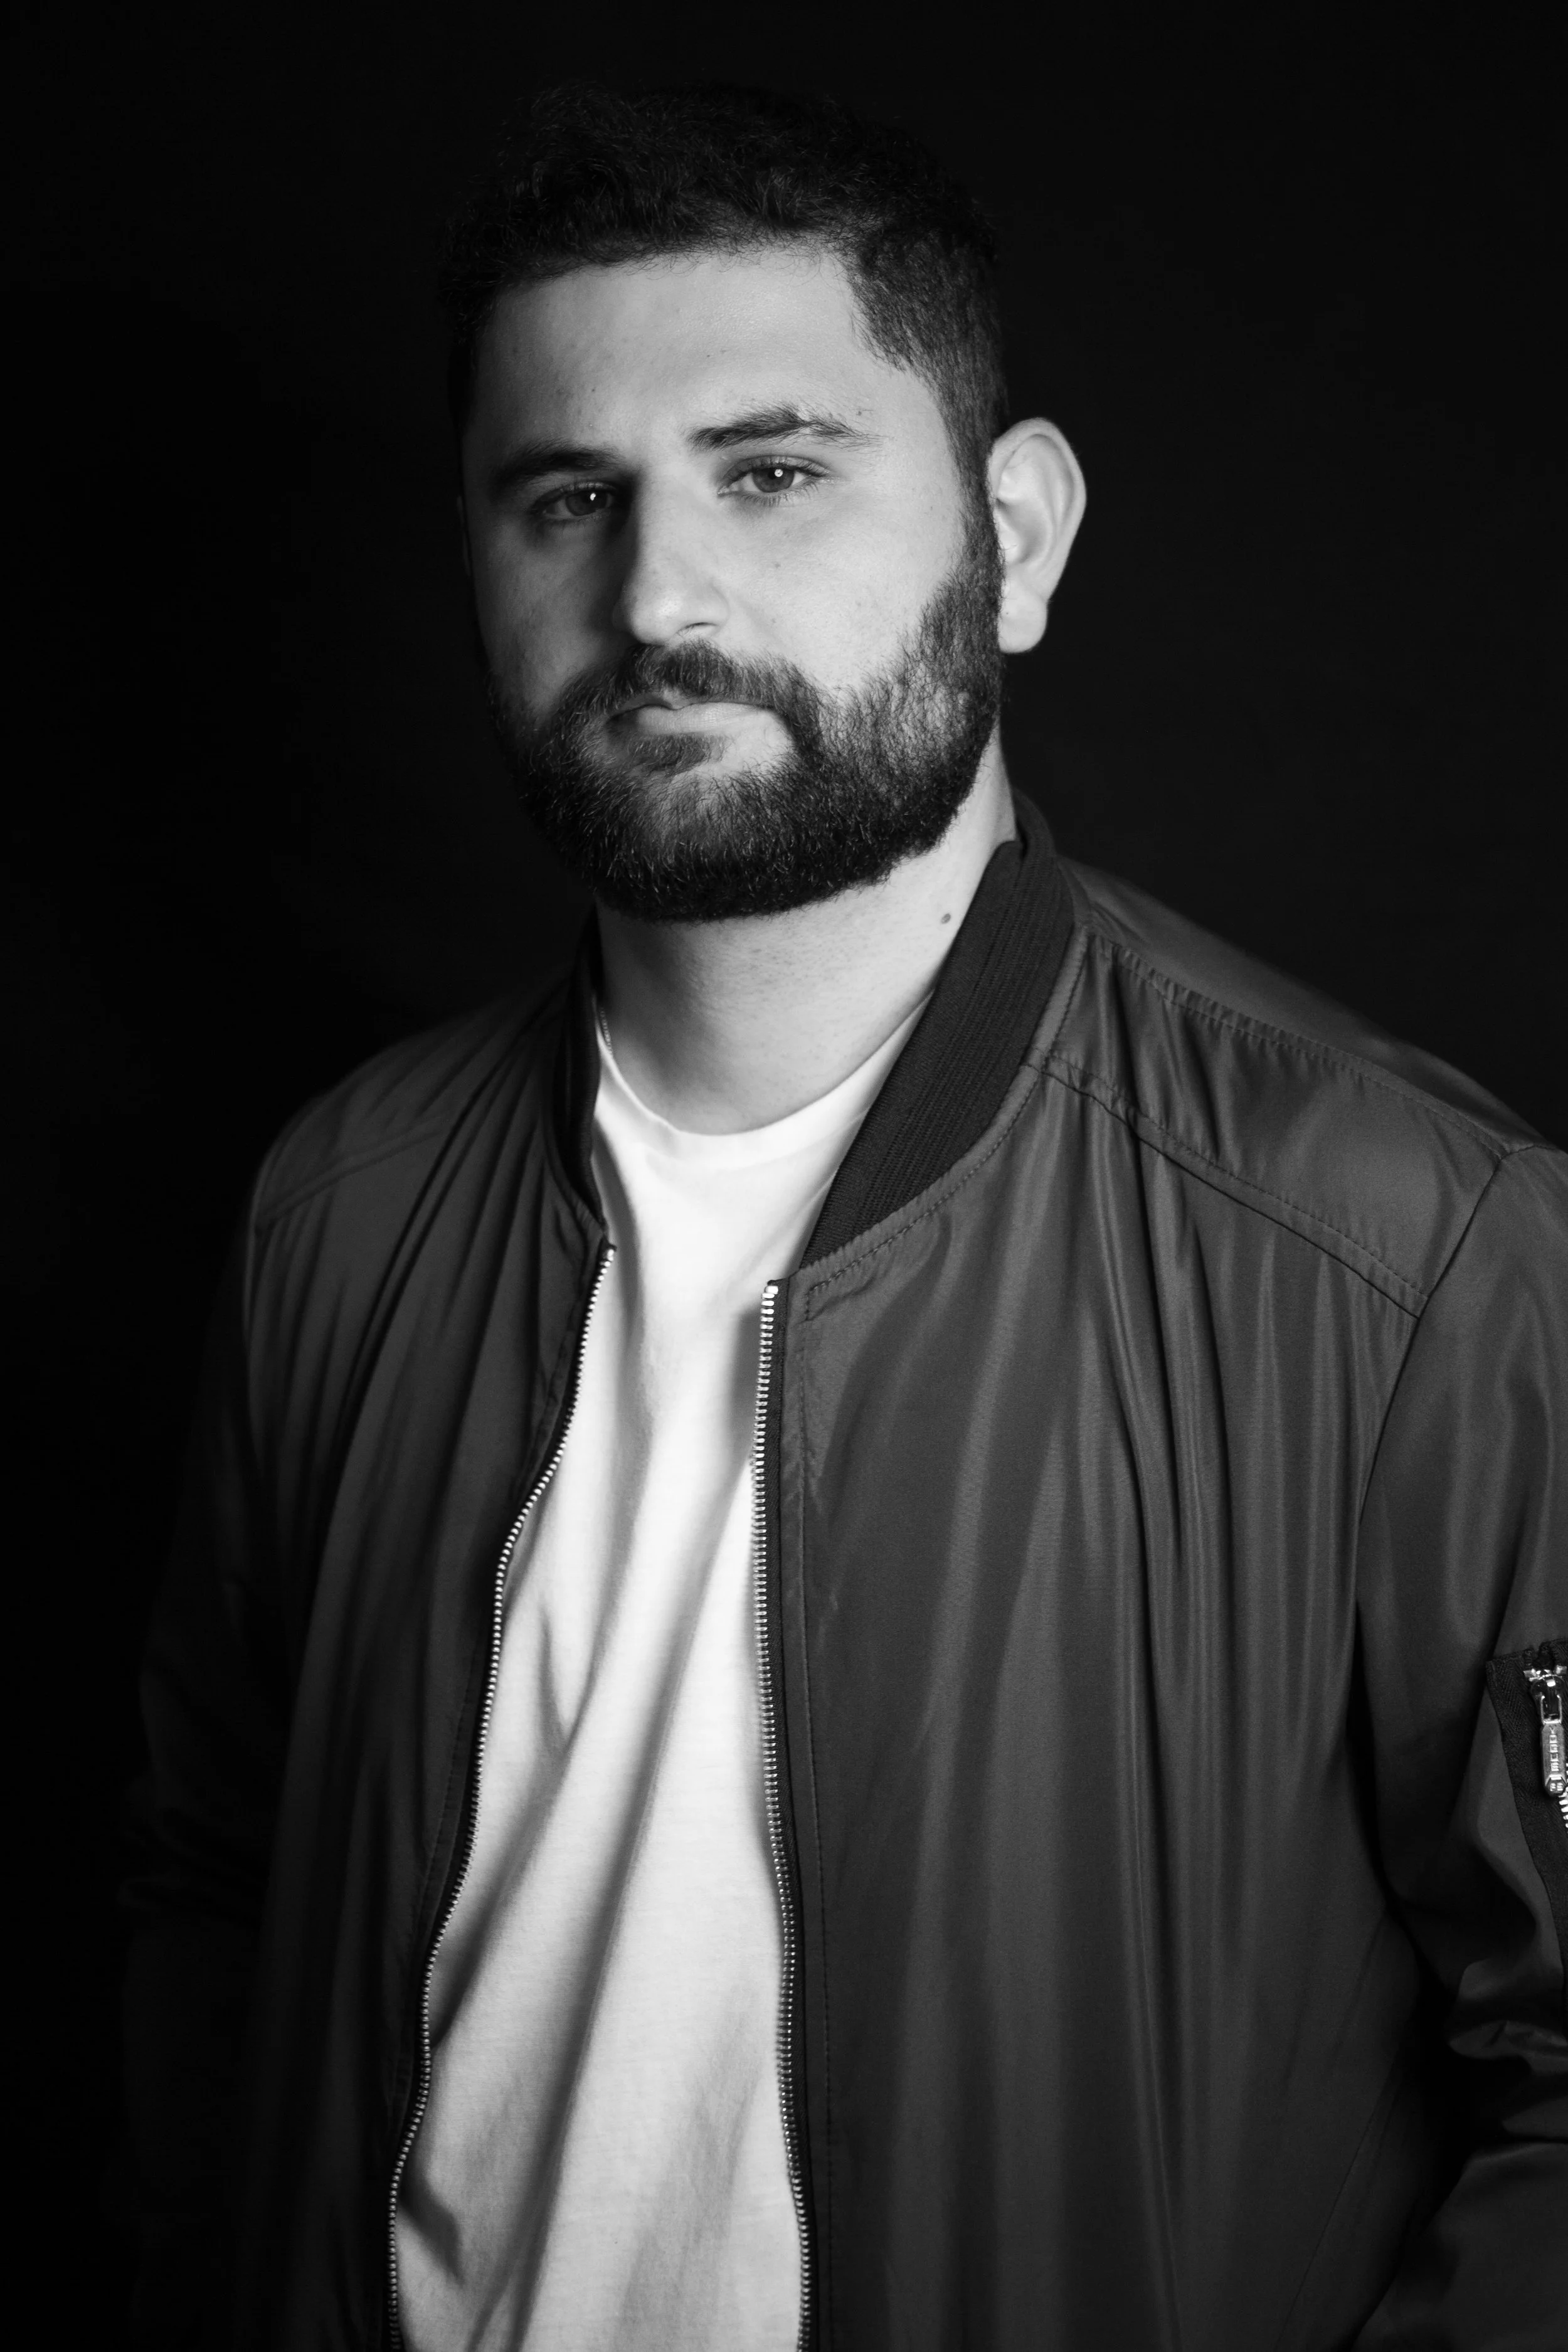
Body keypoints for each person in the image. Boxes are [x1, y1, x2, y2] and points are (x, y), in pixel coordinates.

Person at [124, 80, 1567, 2352]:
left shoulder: (1414, 1252)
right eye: (564, 498)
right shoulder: (339, 1205)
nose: (659, 594)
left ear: (1014, 531)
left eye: (772, 471)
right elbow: (211, 1904)